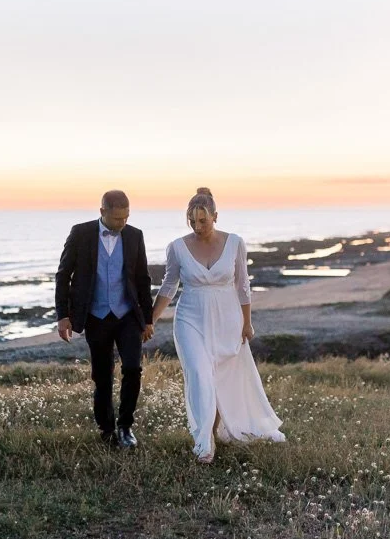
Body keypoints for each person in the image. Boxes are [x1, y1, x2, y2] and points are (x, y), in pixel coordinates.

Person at [150, 188, 285, 463]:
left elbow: (243, 285)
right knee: (200, 374)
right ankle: (204, 442)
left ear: (215, 216)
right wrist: (149, 320)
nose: (197, 227)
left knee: (222, 379)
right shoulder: (177, 247)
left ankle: (215, 430)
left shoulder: (235, 243)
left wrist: (247, 322)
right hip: (190, 318)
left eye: (203, 221)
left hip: (228, 319)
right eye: (192, 221)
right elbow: (169, 285)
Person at [55, 190, 154, 449]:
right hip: (96, 316)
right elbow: (63, 275)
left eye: (126, 217)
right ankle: (106, 429)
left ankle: (125, 427)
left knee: (133, 368)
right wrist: (63, 316)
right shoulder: (80, 233)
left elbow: (143, 279)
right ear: (103, 212)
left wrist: (148, 318)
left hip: (128, 316)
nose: (122, 223)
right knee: (102, 375)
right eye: (117, 218)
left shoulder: (135, 235)